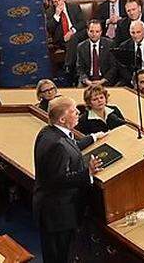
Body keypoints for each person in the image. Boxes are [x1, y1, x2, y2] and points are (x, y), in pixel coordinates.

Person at [33, 95, 102, 263]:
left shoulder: (49, 132)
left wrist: (92, 138)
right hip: (58, 214)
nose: (78, 112)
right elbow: (58, 179)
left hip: (53, 209)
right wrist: (88, 173)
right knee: (59, 256)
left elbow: (70, 148)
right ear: (63, 119)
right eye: (73, 111)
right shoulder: (56, 144)